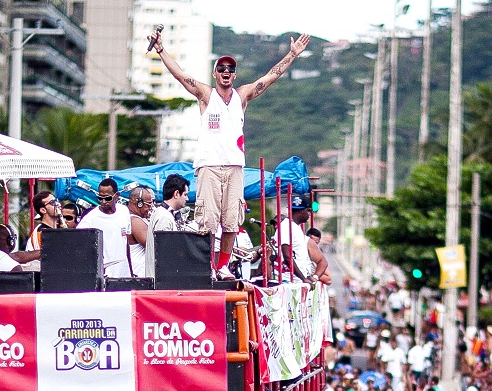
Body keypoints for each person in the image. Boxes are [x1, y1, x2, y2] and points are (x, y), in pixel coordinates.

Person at [149, 30, 311, 278]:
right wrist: (160, 50)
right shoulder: (206, 94)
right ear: (215, 73)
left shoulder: (242, 96)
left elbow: (269, 78)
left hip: (235, 167)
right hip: (209, 166)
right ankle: (207, 266)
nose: (226, 72)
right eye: (221, 68)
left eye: (230, 69)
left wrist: (291, 55)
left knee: (232, 221)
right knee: (207, 221)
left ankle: (222, 265)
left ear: (234, 75)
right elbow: (181, 75)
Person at [76, 179, 138, 280]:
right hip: (105, 275)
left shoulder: (124, 211)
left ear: (116, 195)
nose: (103, 202)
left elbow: (126, 243)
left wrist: (130, 271)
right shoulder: (90, 218)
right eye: (100, 198)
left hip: (124, 272)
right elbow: (78, 242)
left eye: (108, 198)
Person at [274, 197, 328, 285]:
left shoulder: (296, 227)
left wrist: (311, 277)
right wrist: (303, 278)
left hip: (297, 281)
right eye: (308, 211)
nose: (309, 214)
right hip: (288, 281)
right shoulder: (286, 226)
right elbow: (287, 256)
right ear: (300, 211)